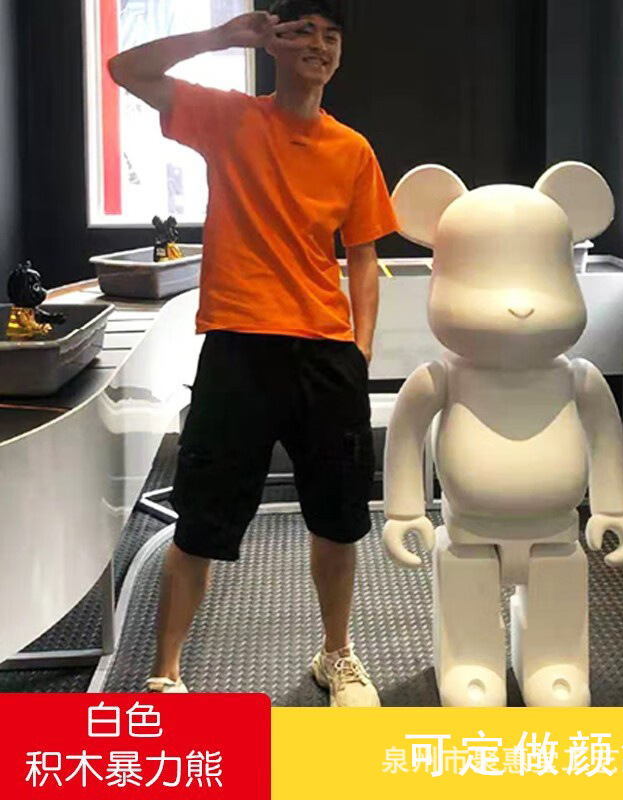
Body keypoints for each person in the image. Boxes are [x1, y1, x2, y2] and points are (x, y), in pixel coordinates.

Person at [108, 0, 397, 707]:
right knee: (202, 519)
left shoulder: (352, 149)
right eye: (305, 31)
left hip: (325, 355)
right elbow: (125, 68)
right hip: (238, 348)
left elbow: (363, 259)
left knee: (338, 519)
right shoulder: (230, 117)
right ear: (274, 42)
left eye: (332, 36)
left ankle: (337, 654)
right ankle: (166, 675)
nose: (321, 45)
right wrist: (219, 36)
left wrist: (359, 351)